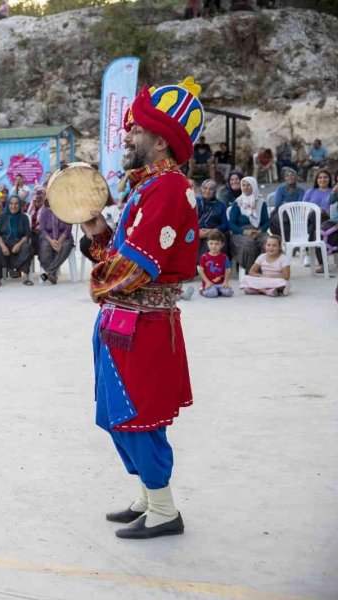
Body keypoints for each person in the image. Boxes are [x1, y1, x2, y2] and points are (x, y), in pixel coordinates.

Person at [80, 77, 205, 539]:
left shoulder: (168, 189)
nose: (126, 137)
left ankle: (165, 510)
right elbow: (117, 253)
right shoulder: (146, 187)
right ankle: (149, 497)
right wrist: (98, 233)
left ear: (158, 139)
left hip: (144, 325)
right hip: (122, 321)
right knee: (116, 415)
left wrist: (97, 283)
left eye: (134, 130)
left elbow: (137, 267)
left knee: (138, 416)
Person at [228, 176, 269, 272]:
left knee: (268, 242)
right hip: (241, 233)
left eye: (248, 185)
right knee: (249, 243)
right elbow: (231, 224)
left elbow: (267, 221)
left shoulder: (260, 202)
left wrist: (261, 231)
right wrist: (244, 231)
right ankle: (251, 271)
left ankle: (266, 270)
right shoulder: (238, 202)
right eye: (243, 185)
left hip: (258, 230)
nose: (246, 188)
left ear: (254, 186)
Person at [0, 196, 33, 286]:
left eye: (16, 204)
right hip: (4, 243)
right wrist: (3, 247)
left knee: (27, 247)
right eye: (11, 203)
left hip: (18, 242)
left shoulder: (24, 217)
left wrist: (19, 244)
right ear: (8, 204)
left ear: (19, 205)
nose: (13, 206)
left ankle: (25, 276)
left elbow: (27, 234)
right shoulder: (2, 217)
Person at [38, 191, 74, 284]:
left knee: (66, 246)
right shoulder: (44, 212)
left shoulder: (66, 212)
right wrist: (51, 241)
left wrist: (59, 241)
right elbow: (42, 230)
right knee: (44, 248)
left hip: (65, 238)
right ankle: (52, 274)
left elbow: (68, 229)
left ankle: (48, 273)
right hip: (48, 238)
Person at [194, 179, 229, 258]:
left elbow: (225, 224)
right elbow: (186, 220)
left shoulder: (220, 205)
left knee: (214, 243)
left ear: (215, 191)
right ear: (201, 189)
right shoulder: (194, 202)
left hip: (212, 233)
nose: (207, 191)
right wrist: (196, 230)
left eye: (211, 189)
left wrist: (212, 230)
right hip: (195, 231)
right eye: (205, 188)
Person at [269, 168, 306, 238]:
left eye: (292, 175)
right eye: (287, 176)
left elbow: (300, 204)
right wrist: (290, 205)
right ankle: (285, 239)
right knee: (281, 217)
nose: (290, 177)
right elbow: (278, 204)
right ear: (285, 178)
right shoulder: (280, 189)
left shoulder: (301, 190)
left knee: (286, 219)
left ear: (295, 177)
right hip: (280, 211)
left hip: (295, 213)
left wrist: (286, 204)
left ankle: (287, 239)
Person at [197, 231, 233, 298]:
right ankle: (202, 290)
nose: (214, 246)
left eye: (217, 244)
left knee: (228, 293)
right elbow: (201, 271)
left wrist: (226, 282)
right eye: (211, 243)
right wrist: (207, 282)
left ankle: (218, 290)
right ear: (207, 243)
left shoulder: (224, 257)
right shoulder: (204, 257)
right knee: (212, 294)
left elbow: (227, 270)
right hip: (209, 283)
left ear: (222, 245)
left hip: (221, 283)